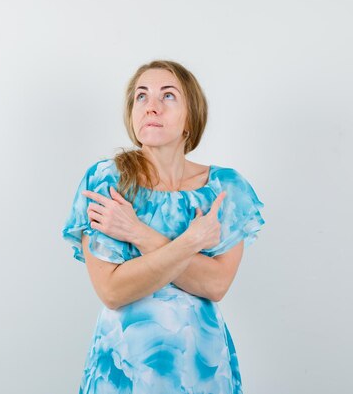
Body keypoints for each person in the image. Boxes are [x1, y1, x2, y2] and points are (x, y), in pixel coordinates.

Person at [61, 60, 265, 394]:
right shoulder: (107, 182)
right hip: (125, 370)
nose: (151, 106)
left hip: (201, 369)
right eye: (141, 97)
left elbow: (215, 285)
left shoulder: (226, 188)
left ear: (190, 118)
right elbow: (113, 291)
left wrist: (138, 233)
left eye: (167, 96)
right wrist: (192, 243)